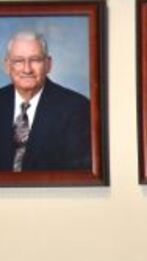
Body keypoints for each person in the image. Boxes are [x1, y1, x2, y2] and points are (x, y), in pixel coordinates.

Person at [0, 31, 91, 172]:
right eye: (18, 61)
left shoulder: (76, 108)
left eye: (35, 60)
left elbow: (79, 173)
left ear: (48, 64)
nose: (27, 69)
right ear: (7, 66)